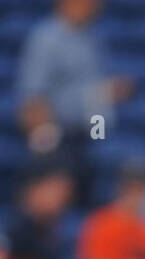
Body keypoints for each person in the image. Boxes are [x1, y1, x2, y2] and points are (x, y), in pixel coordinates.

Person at [16, 0, 133, 207]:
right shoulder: (47, 38)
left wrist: (99, 136)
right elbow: (33, 95)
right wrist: (46, 144)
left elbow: (96, 98)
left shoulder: (92, 38)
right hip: (58, 139)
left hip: (86, 137)